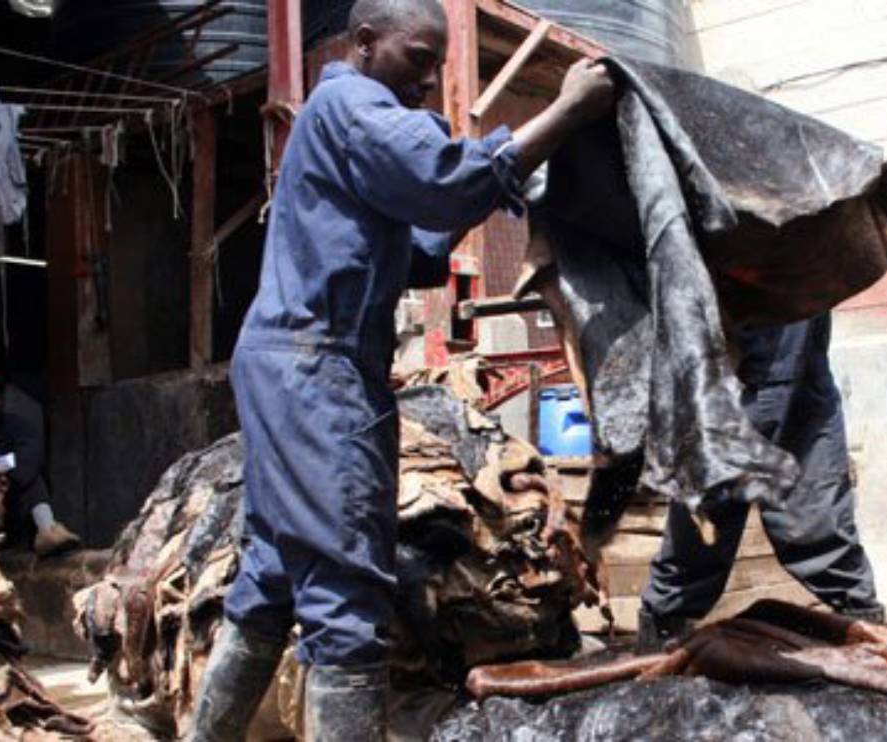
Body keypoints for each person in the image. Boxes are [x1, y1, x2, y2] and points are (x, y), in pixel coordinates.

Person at [188, 0, 614, 739]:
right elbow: (447, 179)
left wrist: (489, 187)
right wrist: (567, 113)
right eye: (418, 58)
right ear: (363, 42)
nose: (427, 80)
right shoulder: (352, 104)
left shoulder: (343, 126)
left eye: (436, 66)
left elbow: (420, 249)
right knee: (347, 591)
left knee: (275, 570)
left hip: (293, 363)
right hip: (317, 368)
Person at [637, 158, 887, 650]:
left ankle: (873, 645)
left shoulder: (813, 192)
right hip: (714, 401)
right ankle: (653, 652)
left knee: (824, 534)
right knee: (690, 551)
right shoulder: (684, 207)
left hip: (800, 403)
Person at [0, 369, 81, 557]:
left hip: (11, 505)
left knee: (34, 481)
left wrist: (0, 488)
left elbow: (28, 462)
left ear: (1, 402)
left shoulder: (19, 427)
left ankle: (48, 531)